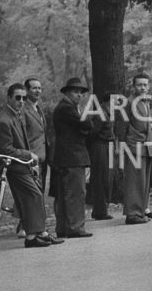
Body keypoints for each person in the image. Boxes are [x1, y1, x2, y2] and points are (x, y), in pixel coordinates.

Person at [0, 83, 63, 248]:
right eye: (18, 97)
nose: (21, 101)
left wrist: (30, 160)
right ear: (9, 98)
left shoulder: (15, 115)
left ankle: (40, 233)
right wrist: (28, 155)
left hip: (23, 164)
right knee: (33, 196)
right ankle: (31, 236)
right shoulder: (4, 119)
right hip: (15, 166)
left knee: (36, 195)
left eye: (24, 98)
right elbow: (6, 149)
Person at [52, 76, 95, 238]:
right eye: (75, 92)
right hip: (73, 157)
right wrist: (86, 123)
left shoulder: (66, 108)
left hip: (67, 157)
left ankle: (64, 227)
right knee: (76, 193)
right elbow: (87, 125)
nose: (79, 95)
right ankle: (75, 227)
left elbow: (83, 127)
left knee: (65, 193)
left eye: (81, 92)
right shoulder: (67, 108)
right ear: (67, 93)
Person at [116, 72, 152, 224]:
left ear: (149, 86)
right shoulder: (129, 102)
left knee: (143, 181)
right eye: (139, 85)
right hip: (134, 146)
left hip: (146, 146)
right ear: (133, 86)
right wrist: (122, 145)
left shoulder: (146, 102)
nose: (143, 87)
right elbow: (122, 125)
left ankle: (140, 211)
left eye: (145, 85)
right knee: (134, 181)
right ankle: (132, 213)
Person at [86, 91, 118, 221]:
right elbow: (92, 133)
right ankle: (100, 210)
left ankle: (102, 208)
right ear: (108, 101)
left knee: (107, 178)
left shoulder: (108, 113)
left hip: (107, 147)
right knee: (101, 178)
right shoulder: (101, 114)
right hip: (100, 147)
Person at [23, 77, 53, 195]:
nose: (38, 91)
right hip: (31, 159)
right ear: (26, 90)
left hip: (43, 159)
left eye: (39, 88)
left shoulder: (39, 109)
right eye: (34, 88)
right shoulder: (23, 109)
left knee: (39, 193)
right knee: (30, 195)